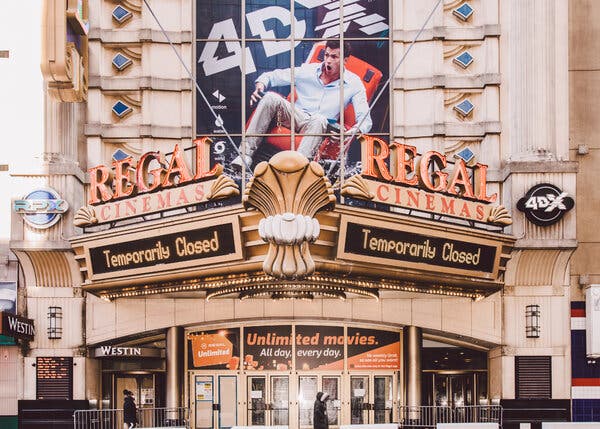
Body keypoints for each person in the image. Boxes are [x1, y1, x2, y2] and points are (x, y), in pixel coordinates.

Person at [232, 40, 372, 169]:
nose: (328, 60)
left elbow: (365, 120)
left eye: (334, 57)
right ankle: (245, 155)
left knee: (319, 119)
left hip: (319, 125)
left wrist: (353, 131)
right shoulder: (308, 71)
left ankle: (298, 169)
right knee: (270, 97)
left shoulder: (354, 83)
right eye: (326, 55)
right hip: (295, 116)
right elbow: (273, 76)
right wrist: (261, 84)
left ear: (345, 60)